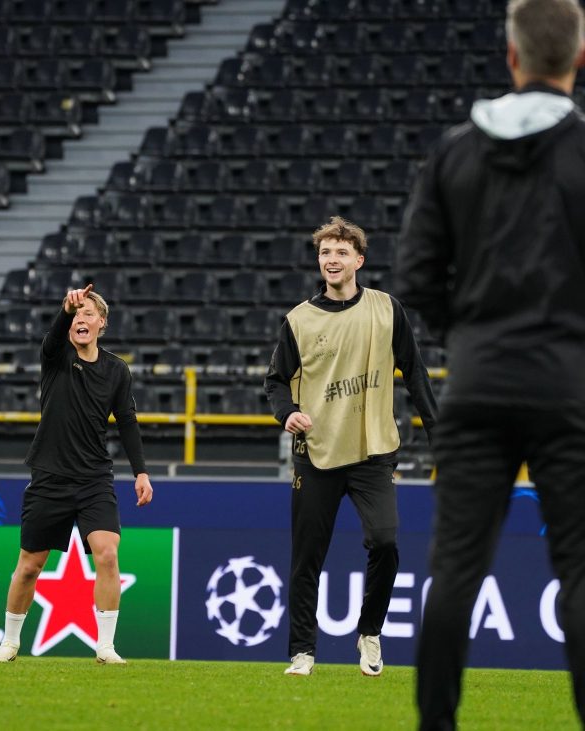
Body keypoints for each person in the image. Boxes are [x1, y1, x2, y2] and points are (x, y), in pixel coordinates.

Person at [396, 0, 585, 726]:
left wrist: (472, 334)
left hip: (476, 385)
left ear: (511, 56)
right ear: (577, 59)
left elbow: (415, 278)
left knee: (454, 572)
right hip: (568, 387)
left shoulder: (455, 151)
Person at [264, 216, 437, 677]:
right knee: (307, 559)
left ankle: (370, 632)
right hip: (316, 453)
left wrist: (439, 437)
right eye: (325, 252)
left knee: (385, 541)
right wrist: (287, 412)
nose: (332, 259)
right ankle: (303, 652)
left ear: (359, 260)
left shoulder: (386, 309)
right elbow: (275, 381)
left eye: (341, 252)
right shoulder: (299, 320)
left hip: (373, 452)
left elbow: (415, 374)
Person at [0, 284, 154, 665]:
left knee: (107, 554)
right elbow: (51, 338)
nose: (81, 319)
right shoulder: (57, 355)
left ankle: (106, 646)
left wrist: (140, 472)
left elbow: (127, 422)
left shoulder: (116, 370)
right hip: (50, 477)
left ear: (102, 323)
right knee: (29, 566)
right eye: (76, 315)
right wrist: (65, 310)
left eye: (88, 314)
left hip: (94, 478)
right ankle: (9, 642)